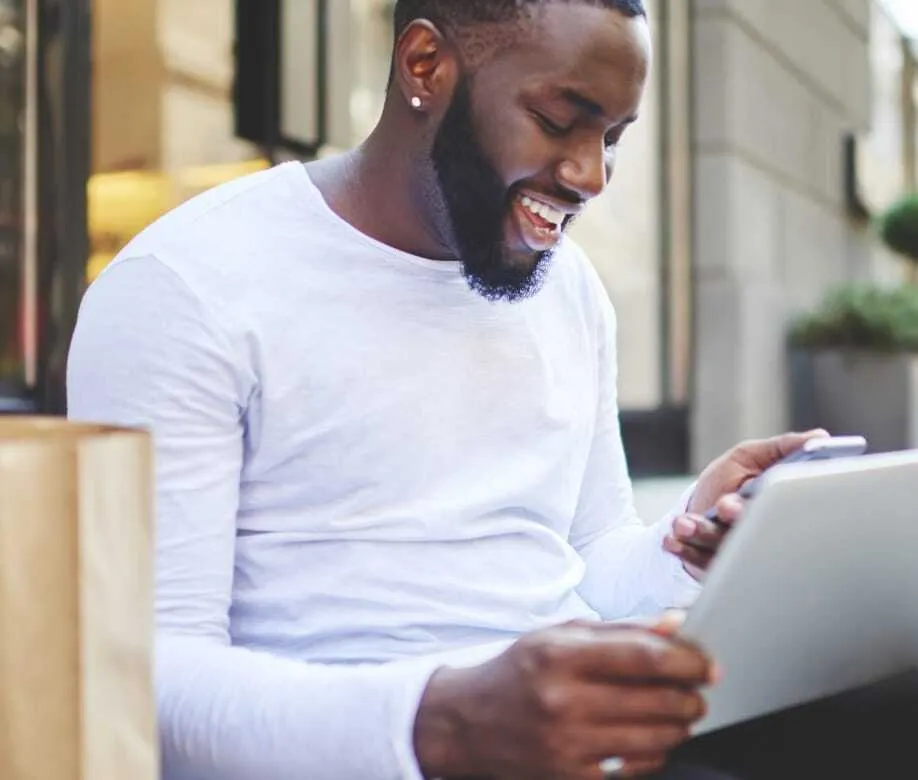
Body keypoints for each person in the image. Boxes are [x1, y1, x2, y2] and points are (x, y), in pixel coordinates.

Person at [65, 1, 838, 778]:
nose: (590, 175)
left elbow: (587, 563)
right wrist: (442, 724)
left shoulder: (569, 289)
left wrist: (690, 545)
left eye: (612, 138)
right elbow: (144, 680)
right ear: (425, 66)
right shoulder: (185, 287)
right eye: (558, 119)